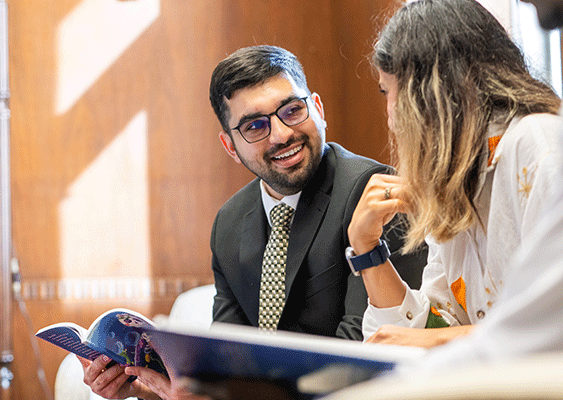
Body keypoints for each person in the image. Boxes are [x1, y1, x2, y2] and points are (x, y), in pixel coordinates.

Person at [79, 45, 427, 399]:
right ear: (230, 146)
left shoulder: (375, 195)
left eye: (292, 110)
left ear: (318, 109)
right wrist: (150, 387)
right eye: (255, 125)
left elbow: (366, 355)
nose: (281, 134)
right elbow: (225, 361)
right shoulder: (229, 222)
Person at [347, 0, 563, 349]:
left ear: (431, 92)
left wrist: (433, 341)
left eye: (388, 92)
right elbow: (436, 324)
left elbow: (550, 324)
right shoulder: (456, 180)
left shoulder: (537, 142)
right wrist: (367, 251)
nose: (390, 117)